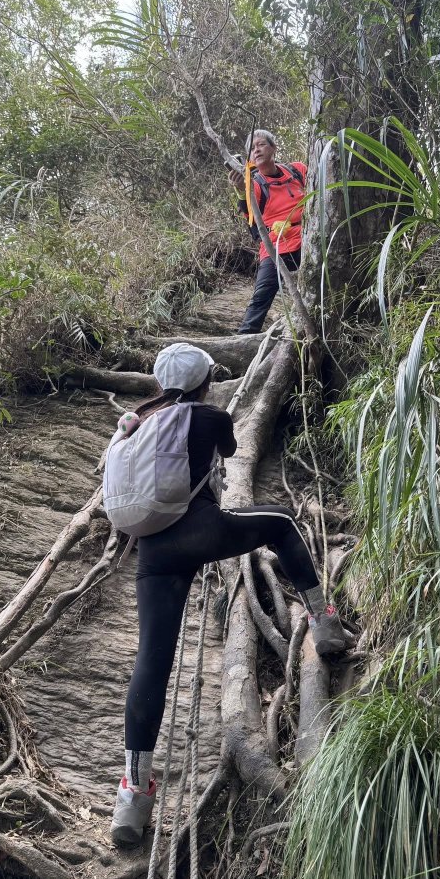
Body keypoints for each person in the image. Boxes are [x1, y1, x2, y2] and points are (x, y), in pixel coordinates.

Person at [110, 343, 353, 846]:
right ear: (204, 381)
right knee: (282, 523)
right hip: (201, 531)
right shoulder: (210, 415)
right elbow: (229, 453)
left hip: (153, 554)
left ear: (159, 382)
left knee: (150, 663)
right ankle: (324, 621)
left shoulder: (135, 424)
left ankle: (132, 798)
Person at [228, 129, 307, 334]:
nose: (257, 150)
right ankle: (243, 339)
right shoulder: (254, 184)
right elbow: (249, 212)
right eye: (252, 149)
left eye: (261, 144)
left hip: (308, 239)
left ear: (273, 148)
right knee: (261, 296)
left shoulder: (297, 170)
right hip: (276, 245)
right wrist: (240, 188)